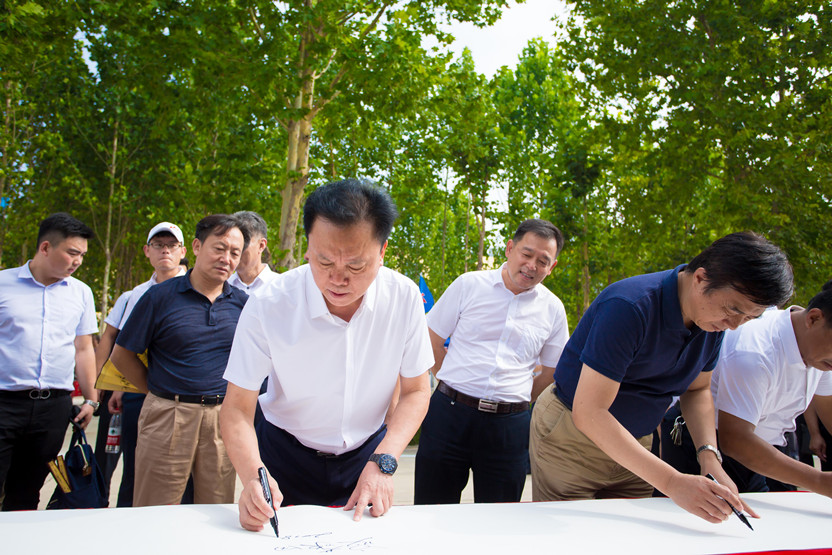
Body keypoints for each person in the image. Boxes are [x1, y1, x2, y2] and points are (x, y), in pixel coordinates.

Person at [530, 232, 793, 524]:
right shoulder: (629, 306)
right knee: (572, 532)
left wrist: (708, 456)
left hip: (637, 443)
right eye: (733, 310)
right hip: (571, 438)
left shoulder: (713, 323)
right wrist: (671, 482)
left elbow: (698, 389)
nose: (734, 325)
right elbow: (590, 411)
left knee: (633, 533)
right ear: (701, 278)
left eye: (748, 318)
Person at [221, 179, 433, 531]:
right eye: (324, 261)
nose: (338, 279)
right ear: (308, 246)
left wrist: (384, 462)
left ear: (382, 251)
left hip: (367, 457)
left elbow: (416, 391)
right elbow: (237, 407)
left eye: (356, 266)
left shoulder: (404, 298)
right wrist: (252, 476)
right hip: (284, 455)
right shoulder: (269, 303)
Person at [414, 219, 569, 504]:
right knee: (432, 507)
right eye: (526, 254)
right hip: (449, 414)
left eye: (543, 261)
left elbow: (552, 371)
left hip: (509, 429)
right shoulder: (469, 285)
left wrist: (517, 399)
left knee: (500, 516)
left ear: (552, 267)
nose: (532, 265)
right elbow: (431, 338)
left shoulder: (553, 309)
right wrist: (451, 381)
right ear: (510, 249)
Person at [111, 214, 249, 506]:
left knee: (216, 508)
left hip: (220, 420)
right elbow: (122, 355)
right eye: (219, 248)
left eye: (235, 253)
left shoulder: (243, 304)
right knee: (155, 509)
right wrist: (156, 392)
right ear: (197, 247)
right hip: (167, 415)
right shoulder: (159, 297)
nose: (226, 258)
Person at [661, 280, 832, 497]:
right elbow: (735, 440)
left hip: (763, 450)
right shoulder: (755, 350)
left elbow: (828, 408)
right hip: (705, 445)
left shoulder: (821, 353)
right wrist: (818, 480)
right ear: (814, 318)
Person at [0, 213, 99, 510]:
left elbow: (83, 349)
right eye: (72, 253)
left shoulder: (81, 293)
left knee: (28, 491)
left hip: (53, 409)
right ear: (45, 247)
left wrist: (91, 399)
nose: (78, 261)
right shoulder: (4, 284)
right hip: (5, 403)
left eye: (82, 255)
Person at [98, 221, 188, 507]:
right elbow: (123, 348)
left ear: (184, 251)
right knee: (135, 467)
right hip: (140, 392)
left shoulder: (196, 289)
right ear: (147, 251)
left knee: (183, 473)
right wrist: (117, 389)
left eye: (172, 245)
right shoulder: (134, 295)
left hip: (185, 395)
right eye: (159, 245)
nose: (165, 251)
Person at [228, 211, 278, 296]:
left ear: (261, 245)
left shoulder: (280, 286)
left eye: (242, 243)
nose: (234, 250)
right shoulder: (221, 287)